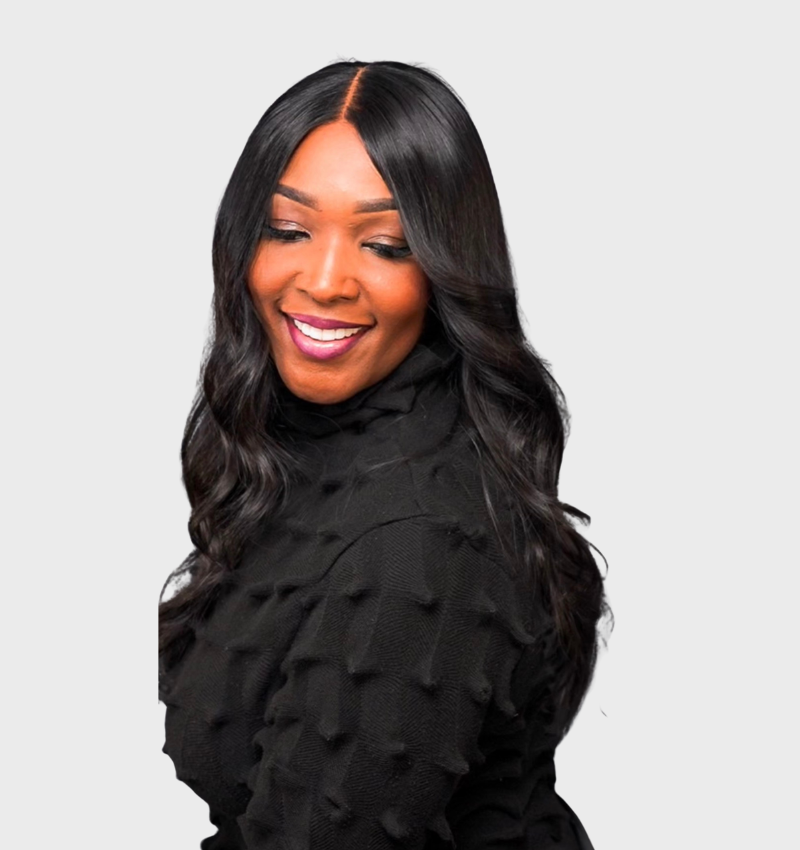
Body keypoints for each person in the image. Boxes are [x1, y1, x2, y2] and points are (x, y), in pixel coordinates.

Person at [158, 59, 609, 850]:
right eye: (289, 230)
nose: (326, 280)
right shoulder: (310, 451)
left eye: (384, 244)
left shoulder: (415, 545)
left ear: (444, 269)